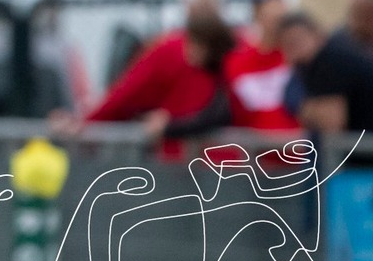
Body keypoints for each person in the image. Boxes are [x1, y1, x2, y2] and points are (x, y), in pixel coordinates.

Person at [53, 10, 238, 158]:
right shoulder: (217, 62)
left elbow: (126, 94)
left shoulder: (181, 55)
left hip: (200, 168)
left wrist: (169, 127)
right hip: (213, 169)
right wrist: (86, 122)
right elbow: (125, 95)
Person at [224, 0, 300, 133]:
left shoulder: (297, 57)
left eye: (281, 18)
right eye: (271, 17)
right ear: (257, 15)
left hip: (296, 149)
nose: (277, 25)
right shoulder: (236, 61)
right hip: (253, 150)